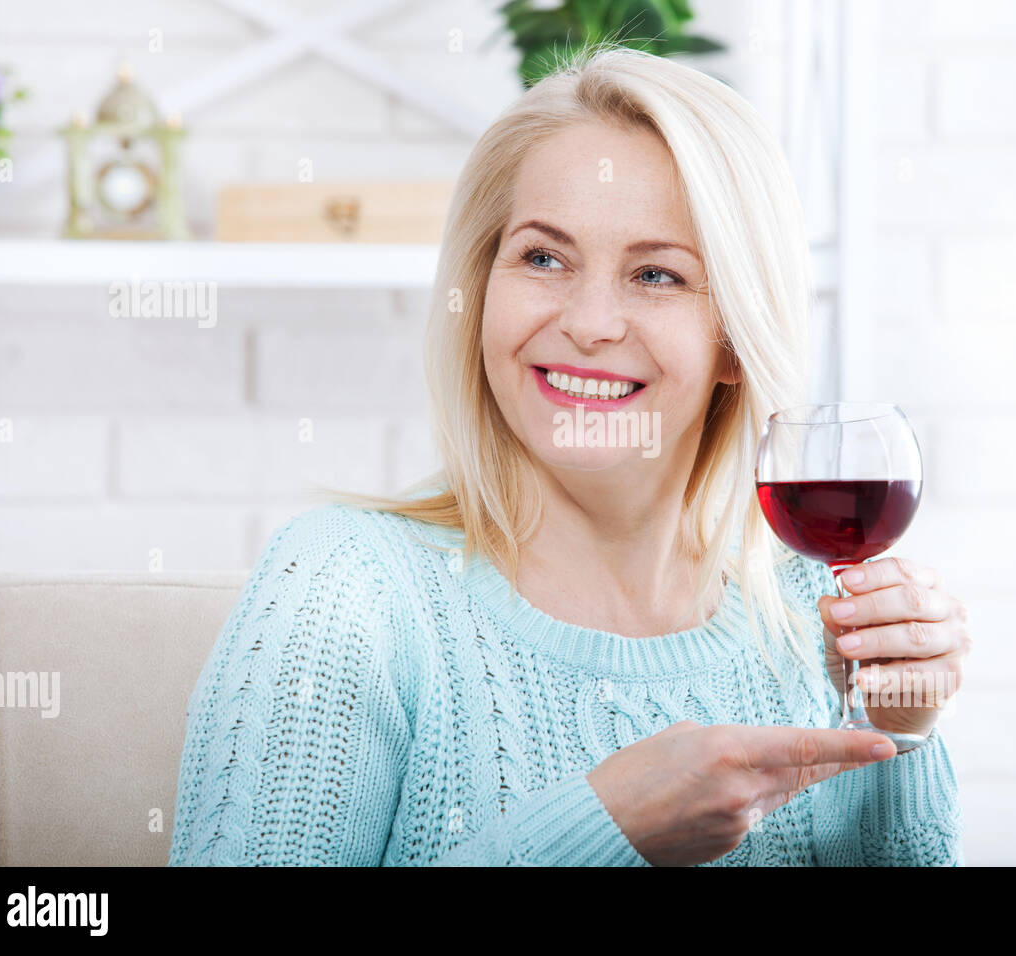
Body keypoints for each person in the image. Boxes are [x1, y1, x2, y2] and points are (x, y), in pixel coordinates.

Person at [168, 43, 971, 867]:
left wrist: (901, 728)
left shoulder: (813, 611)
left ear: (736, 338)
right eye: (544, 258)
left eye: (656, 275)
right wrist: (601, 831)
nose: (589, 322)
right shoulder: (346, 594)